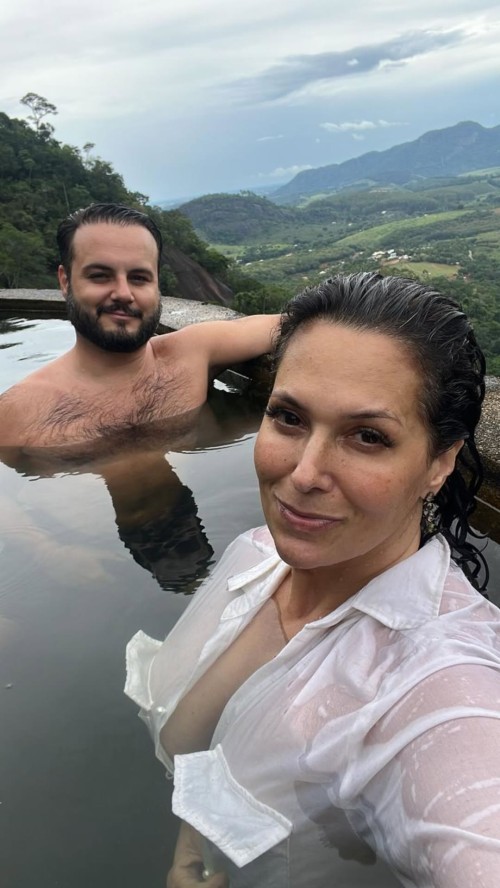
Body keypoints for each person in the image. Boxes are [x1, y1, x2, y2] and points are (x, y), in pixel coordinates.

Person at [125, 272, 500, 888]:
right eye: (289, 417)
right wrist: (191, 844)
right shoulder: (256, 554)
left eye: (368, 436)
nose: (303, 473)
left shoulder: (436, 683)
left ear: (440, 461)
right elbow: (217, 749)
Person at [0, 203, 278, 446]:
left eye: (139, 278)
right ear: (65, 281)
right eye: (99, 276)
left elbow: (289, 322)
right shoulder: (19, 414)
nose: (123, 293)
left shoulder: (194, 352)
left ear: (157, 285)